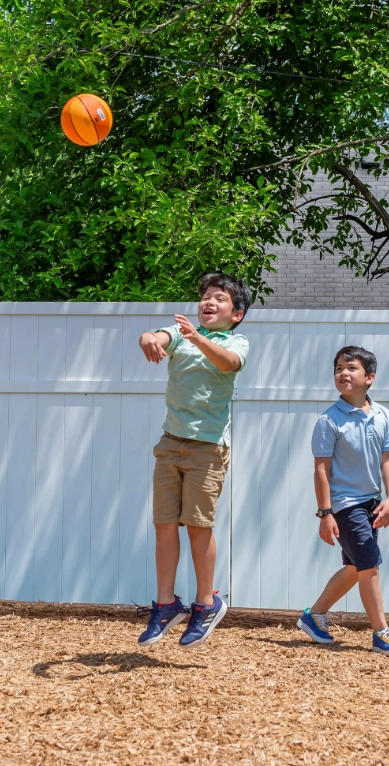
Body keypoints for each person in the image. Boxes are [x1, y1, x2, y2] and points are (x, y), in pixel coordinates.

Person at [137, 273, 250, 647]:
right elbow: (155, 337)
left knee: (198, 526)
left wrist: (197, 338)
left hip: (208, 447)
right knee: (165, 524)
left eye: (220, 298)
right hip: (170, 444)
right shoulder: (179, 332)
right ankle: (166, 604)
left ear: (237, 313)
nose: (209, 302)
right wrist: (150, 339)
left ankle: (207, 603)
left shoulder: (236, 341)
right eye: (206, 296)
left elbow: (228, 363)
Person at [297, 346, 389, 656]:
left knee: (355, 566)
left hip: (372, 502)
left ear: (369, 377)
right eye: (338, 369)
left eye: (351, 368)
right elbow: (321, 470)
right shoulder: (329, 420)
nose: (343, 373)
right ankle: (381, 632)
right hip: (344, 504)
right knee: (369, 565)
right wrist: (325, 514)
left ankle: (314, 615)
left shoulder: (383, 414)